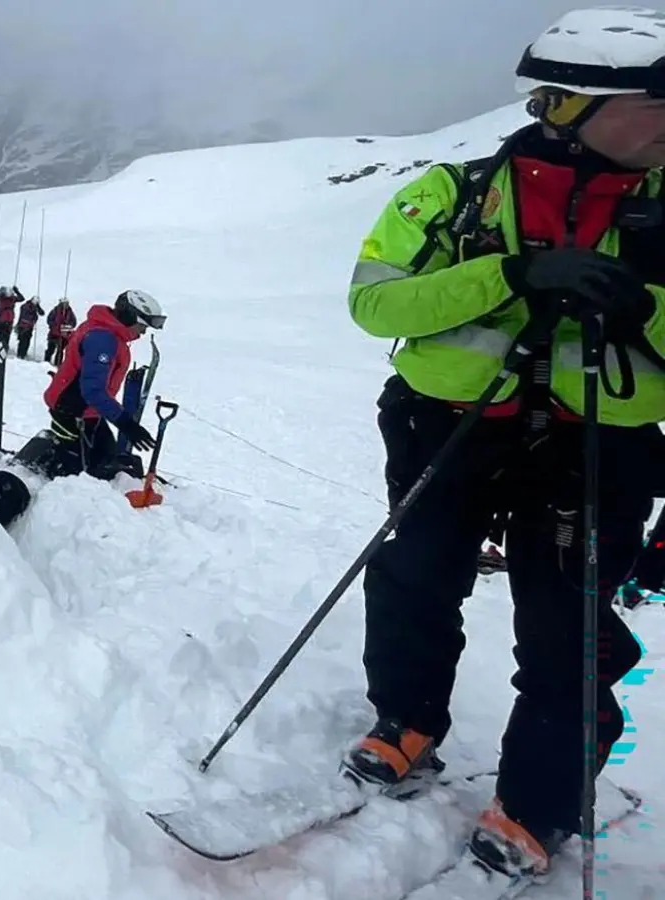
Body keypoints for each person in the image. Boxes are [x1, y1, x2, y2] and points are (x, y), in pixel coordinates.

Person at [341, 7, 665, 880]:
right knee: (415, 576)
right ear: (576, 106)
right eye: (659, 102)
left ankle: (537, 804)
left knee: (568, 631)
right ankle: (405, 722)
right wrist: (513, 275)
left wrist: (648, 301)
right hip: (448, 428)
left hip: (595, 449)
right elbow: (376, 303)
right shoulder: (451, 193)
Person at [41, 290, 165, 478]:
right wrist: (126, 423)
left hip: (89, 412)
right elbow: (92, 390)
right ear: (129, 317)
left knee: (106, 462)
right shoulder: (103, 340)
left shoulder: (108, 333)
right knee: (76, 475)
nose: (143, 332)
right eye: (142, 326)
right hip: (72, 411)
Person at [45, 298, 77, 366]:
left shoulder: (70, 312)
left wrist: (67, 326)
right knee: (50, 348)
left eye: (67, 303)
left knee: (60, 351)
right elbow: (49, 320)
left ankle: (58, 364)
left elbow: (74, 323)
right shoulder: (55, 311)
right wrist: (54, 326)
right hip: (53, 334)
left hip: (63, 335)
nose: (66, 305)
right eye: (64, 303)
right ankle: (46, 362)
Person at [16, 291, 44, 360]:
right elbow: (26, 315)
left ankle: (23, 354)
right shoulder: (25, 306)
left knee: (27, 341)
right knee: (22, 341)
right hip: (23, 326)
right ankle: (20, 354)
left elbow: (42, 313)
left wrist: (38, 307)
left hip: (29, 327)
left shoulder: (35, 308)